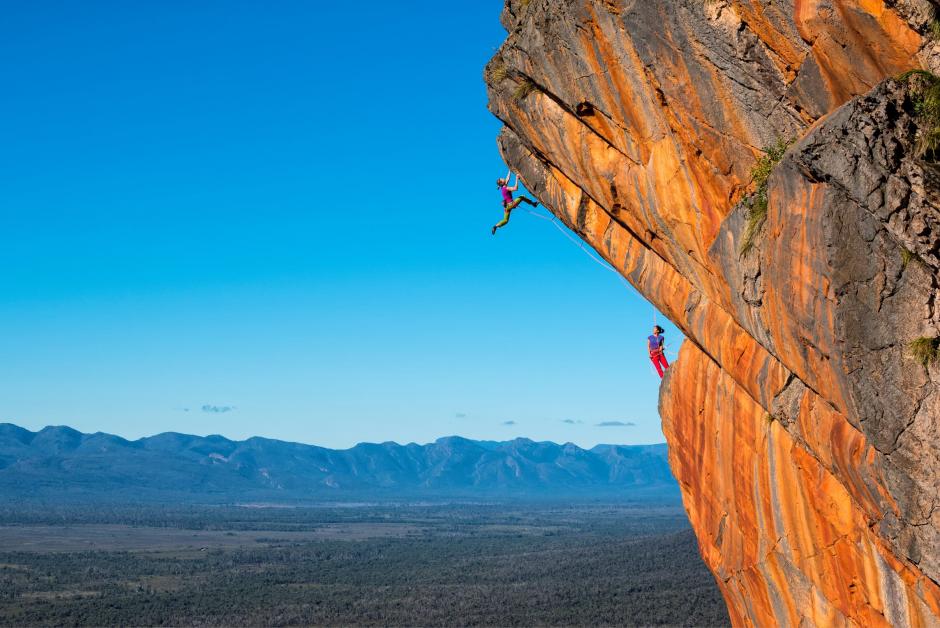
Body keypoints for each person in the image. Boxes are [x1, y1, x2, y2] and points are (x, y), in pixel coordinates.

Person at [492, 169, 539, 235]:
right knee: (522, 196)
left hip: (506, 208)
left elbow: (507, 178)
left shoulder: (502, 187)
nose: (503, 178)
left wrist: (509, 170)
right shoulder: (506, 188)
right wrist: (516, 179)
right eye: (502, 179)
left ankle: (495, 226)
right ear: (501, 183)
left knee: (505, 220)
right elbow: (515, 188)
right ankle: (533, 204)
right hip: (511, 204)